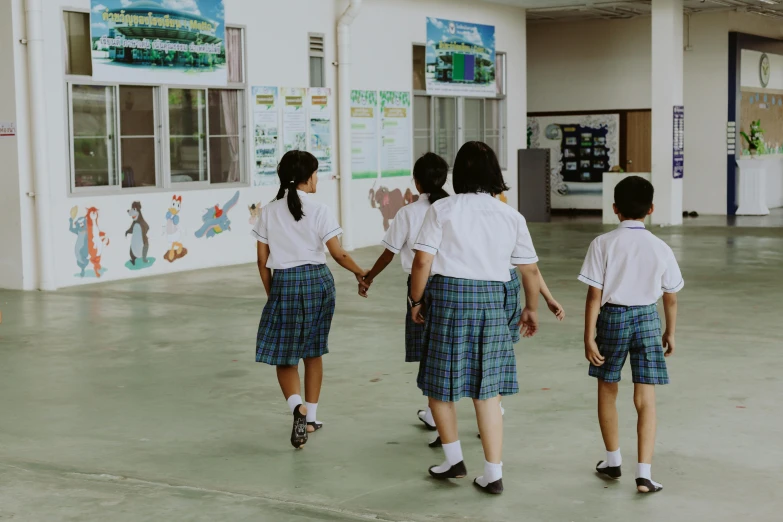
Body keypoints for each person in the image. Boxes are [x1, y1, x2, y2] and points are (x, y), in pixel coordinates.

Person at [408, 141, 542, 495]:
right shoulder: (510, 215)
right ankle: (493, 473)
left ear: (459, 173)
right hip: (492, 302)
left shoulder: (443, 209)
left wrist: (416, 300)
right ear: (495, 173)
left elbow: (422, 262)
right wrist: (531, 307)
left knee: (439, 385)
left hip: (449, 298)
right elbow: (528, 270)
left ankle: (453, 460)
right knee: (488, 391)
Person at [253, 150, 367, 449]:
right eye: (317, 173)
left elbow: (262, 260)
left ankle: (297, 408)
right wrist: (360, 272)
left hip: (286, 283)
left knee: (285, 356)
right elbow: (338, 253)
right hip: (318, 282)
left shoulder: (268, 212)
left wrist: (273, 293)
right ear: (309, 177)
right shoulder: (320, 209)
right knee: (314, 351)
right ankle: (312, 418)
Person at [578, 175, 683, 493]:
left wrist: (588, 336)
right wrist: (670, 331)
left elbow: (594, 296)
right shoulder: (660, 247)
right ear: (651, 209)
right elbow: (671, 296)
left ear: (614, 209)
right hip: (648, 320)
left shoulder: (603, 243)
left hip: (612, 319)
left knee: (607, 390)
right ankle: (645, 474)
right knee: (645, 399)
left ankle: (612, 462)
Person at [358, 153, 450, 432]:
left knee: (429, 352)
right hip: (454, 284)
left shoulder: (408, 213)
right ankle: (490, 405)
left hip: (420, 286)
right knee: (454, 349)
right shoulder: (453, 208)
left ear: (417, 182)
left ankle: (436, 414)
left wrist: (368, 278)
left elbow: (388, 254)